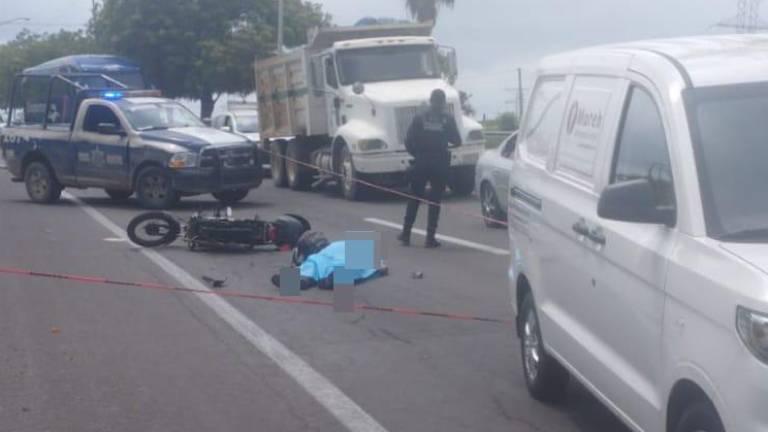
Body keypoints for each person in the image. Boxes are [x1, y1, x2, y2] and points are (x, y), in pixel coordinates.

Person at [398, 89, 462, 248]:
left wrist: (418, 154)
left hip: (422, 161)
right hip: (440, 163)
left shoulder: (419, 117)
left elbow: (408, 140)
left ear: (431, 100)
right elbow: (458, 141)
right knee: (435, 201)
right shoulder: (447, 119)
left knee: (414, 197)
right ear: (443, 102)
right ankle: (430, 238)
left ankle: (406, 234)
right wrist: (443, 141)